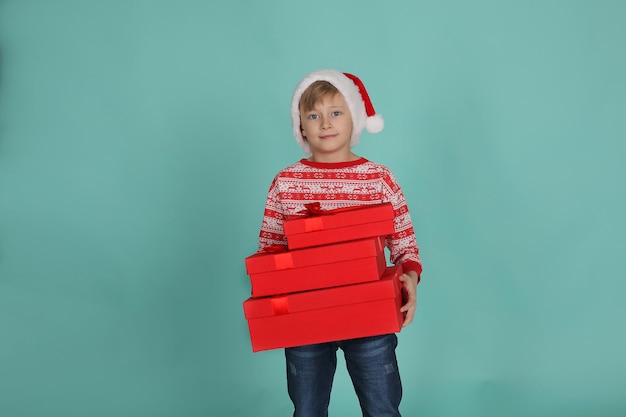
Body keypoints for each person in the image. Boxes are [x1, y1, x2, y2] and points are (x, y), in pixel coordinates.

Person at [257, 69, 422, 417]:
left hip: (370, 314)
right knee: (307, 409)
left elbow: (404, 241)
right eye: (313, 115)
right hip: (305, 318)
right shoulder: (286, 182)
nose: (325, 123)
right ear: (301, 126)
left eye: (336, 112)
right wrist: (275, 307)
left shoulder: (378, 178)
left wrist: (409, 279)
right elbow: (269, 250)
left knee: (382, 408)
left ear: (355, 119)